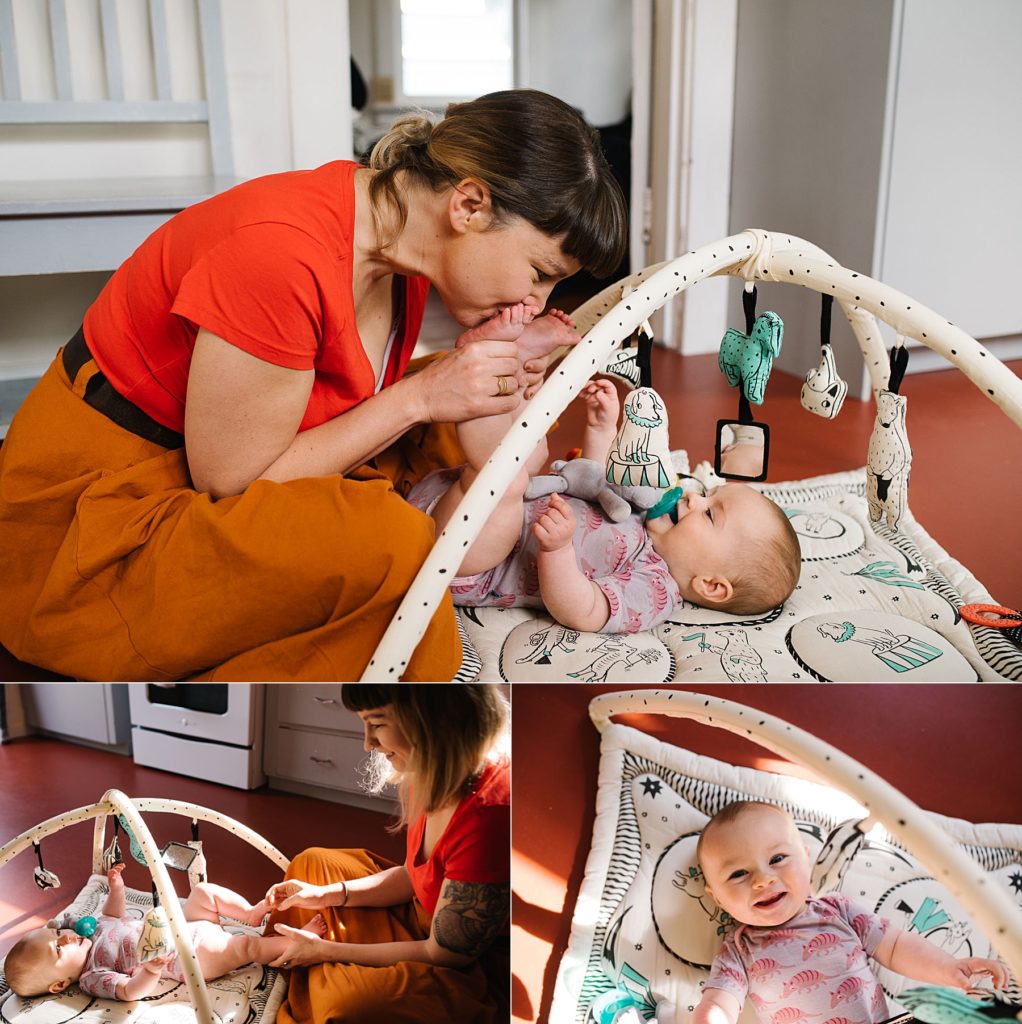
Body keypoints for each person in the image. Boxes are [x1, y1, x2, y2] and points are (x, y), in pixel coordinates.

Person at [0, 88, 626, 682]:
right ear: (467, 205)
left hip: (215, 451)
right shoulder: (280, 256)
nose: (536, 299)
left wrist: (471, 373)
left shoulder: (398, 239)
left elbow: (341, 391)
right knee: (387, 539)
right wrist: (420, 396)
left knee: (456, 420)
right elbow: (233, 484)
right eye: (540, 272)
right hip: (100, 511)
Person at [408, 357, 801, 632]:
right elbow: (600, 482)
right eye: (708, 493)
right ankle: (505, 388)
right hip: (450, 495)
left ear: (710, 585)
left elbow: (586, 610)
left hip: (472, 561)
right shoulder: (646, 507)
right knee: (533, 457)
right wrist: (602, 427)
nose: (694, 499)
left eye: (711, 514)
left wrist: (558, 551)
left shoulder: (655, 589)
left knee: (512, 476)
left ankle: (490, 395)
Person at [264, 683, 510, 1024]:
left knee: (350, 1008)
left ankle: (315, 964)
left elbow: (444, 954)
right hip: (420, 915)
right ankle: (316, 965)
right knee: (310, 864)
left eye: (377, 724)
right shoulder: (427, 771)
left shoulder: (489, 815)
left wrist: (326, 950)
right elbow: (413, 875)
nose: (368, 743)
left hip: (459, 961)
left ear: (434, 720)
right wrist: (325, 895)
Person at [689, 801, 1009, 1024]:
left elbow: (896, 947)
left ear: (807, 858)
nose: (763, 880)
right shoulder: (739, 949)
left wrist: (949, 968)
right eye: (738, 874)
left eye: (777, 859)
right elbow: (719, 1003)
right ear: (716, 898)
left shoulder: (837, 910)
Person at [3, 864, 319, 999]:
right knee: (244, 949)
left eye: (59, 936)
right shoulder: (91, 976)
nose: (68, 938)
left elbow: (115, 914)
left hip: (182, 923)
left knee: (204, 893)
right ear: (60, 984)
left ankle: (249, 913)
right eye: (59, 949)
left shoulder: (94, 928)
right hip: (182, 958)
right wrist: (151, 971)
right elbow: (129, 992)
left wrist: (117, 888)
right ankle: (293, 941)